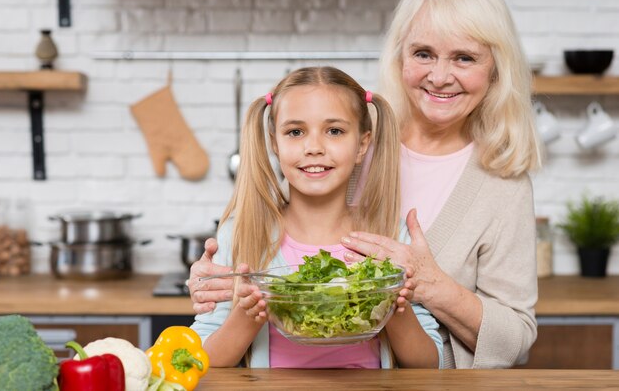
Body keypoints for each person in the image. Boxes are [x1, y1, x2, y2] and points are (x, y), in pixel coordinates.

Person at [189, 0, 541, 369]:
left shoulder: (501, 186)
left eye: (464, 57)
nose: (440, 76)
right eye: (423, 53)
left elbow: (513, 341)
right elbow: (260, 245)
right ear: (399, 58)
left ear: (495, 69)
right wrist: (214, 283)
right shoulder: (341, 146)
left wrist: (429, 286)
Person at [189, 66, 444, 369]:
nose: (313, 148)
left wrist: (394, 305)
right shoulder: (243, 234)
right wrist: (246, 317)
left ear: (362, 145)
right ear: (274, 142)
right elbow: (202, 358)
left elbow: (429, 362)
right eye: (295, 132)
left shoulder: (390, 238)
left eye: (334, 131)